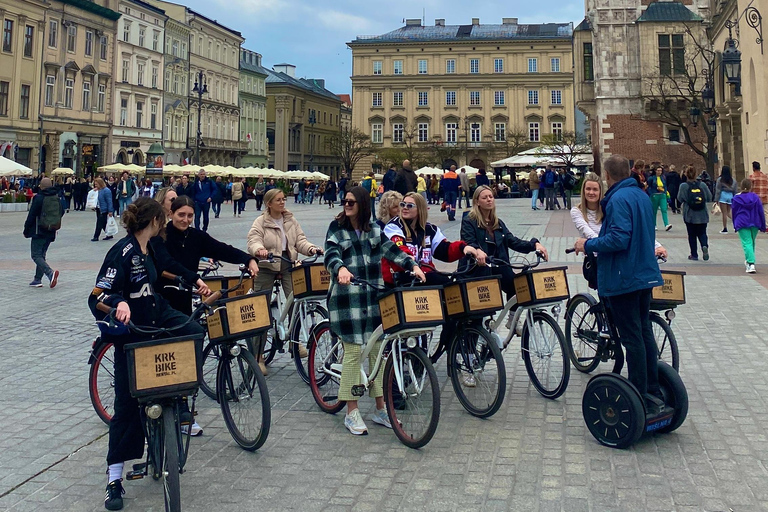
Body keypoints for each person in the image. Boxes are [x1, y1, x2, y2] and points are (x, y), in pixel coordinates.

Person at [88, 198, 206, 511]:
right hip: (133, 332)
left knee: (195, 330)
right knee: (127, 406)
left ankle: (182, 395)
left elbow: (162, 274)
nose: (165, 224)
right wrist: (118, 303)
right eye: (162, 220)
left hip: (158, 313)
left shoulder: (149, 248)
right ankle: (114, 478)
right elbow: (97, 296)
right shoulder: (122, 251)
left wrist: (190, 281)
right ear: (154, 220)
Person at [324, 186, 426, 435]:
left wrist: (412, 265)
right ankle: (351, 411)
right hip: (347, 300)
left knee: (378, 351)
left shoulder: (374, 229)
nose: (346, 205)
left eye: (351, 202)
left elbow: (391, 250)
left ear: (362, 204)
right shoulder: (337, 228)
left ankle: (381, 409)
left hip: (372, 298)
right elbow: (331, 253)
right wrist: (340, 269)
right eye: (344, 201)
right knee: (354, 352)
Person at [573, 155, 666, 417]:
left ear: (607, 175)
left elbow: (618, 238)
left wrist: (586, 244)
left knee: (632, 338)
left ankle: (638, 394)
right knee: (644, 332)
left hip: (624, 277)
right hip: (645, 275)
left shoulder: (617, 199)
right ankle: (653, 388)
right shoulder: (641, 196)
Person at [246, 188, 323, 374]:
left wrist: (312, 249)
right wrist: (259, 251)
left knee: (296, 300)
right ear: (269, 204)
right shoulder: (261, 222)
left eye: (283, 199)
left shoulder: (290, 220)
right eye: (278, 200)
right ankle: (258, 355)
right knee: (261, 309)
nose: (282, 202)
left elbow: (300, 241)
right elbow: (253, 240)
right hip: (266, 266)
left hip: (288, 264)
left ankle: (294, 343)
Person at [461, 185, 549, 299]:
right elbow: (468, 241)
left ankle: (513, 317)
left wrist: (534, 245)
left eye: (491, 196)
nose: (489, 199)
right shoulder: (469, 221)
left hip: (500, 266)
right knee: (483, 306)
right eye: (485, 198)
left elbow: (513, 241)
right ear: (477, 202)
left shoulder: (497, 223)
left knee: (519, 289)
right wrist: (477, 251)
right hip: (478, 269)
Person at [23, 177, 62, 288]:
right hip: (51, 231)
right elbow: (61, 212)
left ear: (41, 186)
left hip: (38, 231)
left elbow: (31, 215)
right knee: (42, 255)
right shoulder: (56, 197)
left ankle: (50, 273)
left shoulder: (39, 198)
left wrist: (26, 229)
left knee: (36, 255)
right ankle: (37, 279)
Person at [678, 165, 713, 261]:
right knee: (702, 233)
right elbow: (709, 197)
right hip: (702, 214)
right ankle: (704, 246)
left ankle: (694, 254)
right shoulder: (702, 185)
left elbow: (680, 198)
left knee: (692, 235)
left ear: (686, 174)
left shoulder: (683, 186)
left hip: (689, 214)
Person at [732, 178, 766, 273]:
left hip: (742, 222)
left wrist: (735, 224)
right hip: (755, 221)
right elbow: (761, 211)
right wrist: (763, 225)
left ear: (741, 186)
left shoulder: (736, 199)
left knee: (747, 242)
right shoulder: (755, 198)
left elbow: (734, 212)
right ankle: (749, 260)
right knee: (751, 242)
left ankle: (751, 263)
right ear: (751, 187)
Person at [714, 166, 738, 234]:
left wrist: (716, 199)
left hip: (723, 195)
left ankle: (725, 228)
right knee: (729, 212)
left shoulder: (720, 180)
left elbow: (718, 190)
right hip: (730, 195)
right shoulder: (733, 180)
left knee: (724, 213)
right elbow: (735, 190)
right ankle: (736, 225)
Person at [648, 165, 672, 231]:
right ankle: (654, 224)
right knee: (654, 211)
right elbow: (648, 186)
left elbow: (665, 186)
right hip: (655, 195)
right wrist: (651, 194)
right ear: (655, 171)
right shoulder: (651, 178)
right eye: (658, 170)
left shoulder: (663, 177)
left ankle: (666, 224)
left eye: (660, 171)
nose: (659, 172)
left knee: (664, 209)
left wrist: (665, 193)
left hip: (662, 195)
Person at [92, 178, 115, 242]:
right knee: (103, 223)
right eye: (95, 184)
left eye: (97, 184)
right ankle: (109, 234)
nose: (95, 185)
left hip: (104, 209)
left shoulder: (106, 191)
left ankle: (96, 236)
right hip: (98, 209)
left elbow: (109, 201)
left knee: (99, 223)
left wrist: (110, 210)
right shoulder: (97, 191)